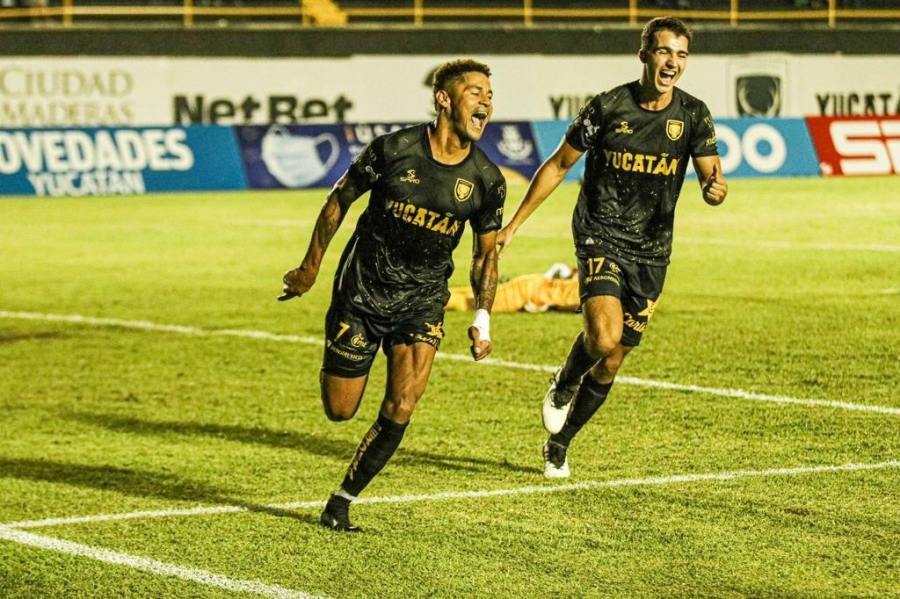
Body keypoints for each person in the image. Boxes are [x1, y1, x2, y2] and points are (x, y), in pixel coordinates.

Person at [279, 58, 506, 531]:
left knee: (402, 404)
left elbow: (485, 256)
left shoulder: (487, 179)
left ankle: (341, 502)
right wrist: (309, 268)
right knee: (340, 410)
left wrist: (482, 318)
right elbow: (340, 199)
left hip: (422, 300)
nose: (485, 101)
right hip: (363, 292)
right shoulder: (393, 150)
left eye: (489, 94)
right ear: (444, 99)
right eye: (475, 92)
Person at [496, 16, 728, 478]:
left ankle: (560, 443)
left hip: (652, 248)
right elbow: (558, 165)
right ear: (644, 54)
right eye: (664, 51)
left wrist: (714, 190)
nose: (673, 62)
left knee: (615, 356)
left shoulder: (693, 113)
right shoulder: (608, 107)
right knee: (602, 338)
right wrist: (514, 225)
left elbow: (712, 177)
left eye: (681, 55)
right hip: (600, 233)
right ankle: (564, 382)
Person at [445, 262, 580, 313]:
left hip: (534, 281)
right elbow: (569, 307)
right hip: (530, 294)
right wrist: (549, 306)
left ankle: (437, 292)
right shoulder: (583, 298)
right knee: (475, 303)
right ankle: (436, 299)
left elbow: (568, 270)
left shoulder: (585, 280)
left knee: (479, 292)